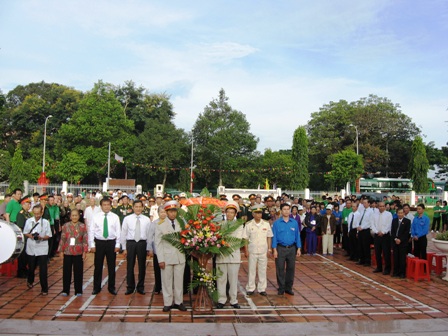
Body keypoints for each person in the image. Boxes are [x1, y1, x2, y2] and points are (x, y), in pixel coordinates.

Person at [155, 200, 187, 312]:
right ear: (166, 212)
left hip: (179, 257)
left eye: (174, 211)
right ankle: (167, 303)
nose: (173, 214)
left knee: (179, 281)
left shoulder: (181, 223)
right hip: (166, 257)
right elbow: (158, 244)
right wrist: (160, 260)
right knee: (166, 281)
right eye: (170, 211)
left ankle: (179, 302)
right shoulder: (160, 224)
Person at [89, 198, 121, 295]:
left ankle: (111, 287)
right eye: (104, 205)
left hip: (111, 243)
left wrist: (117, 244)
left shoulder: (115, 217)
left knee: (111, 266)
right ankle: (96, 287)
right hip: (99, 243)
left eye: (108, 204)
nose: (106, 206)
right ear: (101, 206)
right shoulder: (96, 217)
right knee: (98, 266)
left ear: (110, 205)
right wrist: (92, 244)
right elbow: (91, 231)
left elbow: (118, 231)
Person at [216, 200, 244, 309]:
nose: (229, 214)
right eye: (228, 212)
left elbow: (237, 240)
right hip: (221, 256)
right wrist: (221, 242)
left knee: (233, 280)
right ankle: (221, 300)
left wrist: (224, 242)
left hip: (233, 255)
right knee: (221, 279)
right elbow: (217, 238)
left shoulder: (239, 225)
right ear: (225, 213)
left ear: (235, 214)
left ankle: (233, 300)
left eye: (232, 212)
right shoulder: (220, 225)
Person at [121, 200, 151, 295]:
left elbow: (149, 234)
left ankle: (140, 287)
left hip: (142, 243)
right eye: (136, 206)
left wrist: (149, 247)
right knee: (130, 265)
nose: (138, 208)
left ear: (143, 208)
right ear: (133, 207)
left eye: (140, 207)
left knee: (142, 266)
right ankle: (130, 287)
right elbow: (123, 233)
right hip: (131, 243)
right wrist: (124, 247)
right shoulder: (127, 219)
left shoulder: (147, 219)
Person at [272, 203, 301, 296]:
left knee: (291, 268)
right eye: (284, 209)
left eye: (288, 209)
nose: (286, 211)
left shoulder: (294, 222)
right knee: (280, 269)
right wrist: (274, 249)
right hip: (280, 248)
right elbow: (274, 237)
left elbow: (297, 236)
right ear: (281, 211)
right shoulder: (276, 223)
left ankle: (289, 288)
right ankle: (281, 287)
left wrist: (299, 248)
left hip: (292, 248)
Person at [243, 205, 273, 296]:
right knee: (251, 270)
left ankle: (261, 288)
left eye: (260, 213)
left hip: (263, 250)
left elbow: (269, 237)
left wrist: (269, 249)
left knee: (262, 270)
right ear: (253, 214)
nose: (258, 215)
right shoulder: (248, 224)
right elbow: (245, 239)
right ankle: (250, 288)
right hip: (252, 250)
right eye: (256, 213)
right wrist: (246, 250)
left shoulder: (266, 224)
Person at [58, 209, 88, 296]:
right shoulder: (65, 226)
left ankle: (78, 290)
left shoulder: (82, 226)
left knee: (78, 271)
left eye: (76, 215)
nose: (74, 217)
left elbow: (85, 239)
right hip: (67, 251)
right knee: (66, 271)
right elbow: (63, 239)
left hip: (78, 251)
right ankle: (65, 290)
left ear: (79, 216)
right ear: (70, 216)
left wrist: (84, 251)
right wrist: (61, 251)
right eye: (73, 215)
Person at [23, 205, 52, 295]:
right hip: (31, 247)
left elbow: (49, 235)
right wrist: (31, 236)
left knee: (43, 269)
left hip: (42, 248)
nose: (36, 215)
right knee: (31, 267)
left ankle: (44, 288)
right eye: (35, 213)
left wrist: (41, 238)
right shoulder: (29, 221)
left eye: (38, 214)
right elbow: (25, 232)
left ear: (42, 212)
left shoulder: (45, 222)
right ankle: (30, 281)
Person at [148, 206, 166, 294]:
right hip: (157, 250)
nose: (163, 214)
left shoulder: (169, 223)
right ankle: (158, 287)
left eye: (164, 212)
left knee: (167, 270)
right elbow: (150, 237)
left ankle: (166, 287)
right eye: (161, 212)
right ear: (158, 213)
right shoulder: (154, 223)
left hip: (167, 251)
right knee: (157, 269)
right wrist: (150, 248)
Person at [372, 202, 393, 275]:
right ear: (378, 207)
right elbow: (372, 224)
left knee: (386, 253)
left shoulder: (388, 214)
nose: (381, 207)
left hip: (385, 236)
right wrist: (377, 232)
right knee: (377, 252)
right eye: (380, 206)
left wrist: (383, 232)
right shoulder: (374, 214)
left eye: (383, 206)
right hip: (377, 235)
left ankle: (387, 269)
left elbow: (389, 225)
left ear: (385, 207)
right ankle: (379, 267)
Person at [391, 208, 411, 278]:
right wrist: (395, 239)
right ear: (397, 213)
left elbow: (406, 233)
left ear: (404, 213)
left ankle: (402, 273)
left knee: (402, 258)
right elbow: (392, 231)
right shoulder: (394, 221)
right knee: (395, 257)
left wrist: (400, 239)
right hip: (395, 242)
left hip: (403, 243)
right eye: (399, 213)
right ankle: (395, 272)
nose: (400, 214)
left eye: (401, 213)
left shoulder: (407, 221)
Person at [16, 195, 32, 278]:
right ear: (23, 204)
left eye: (30, 204)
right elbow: (20, 227)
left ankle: (25, 269)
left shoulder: (28, 214)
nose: (29, 205)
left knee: (27, 256)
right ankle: (20, 271)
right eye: (27, 204)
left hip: (29, 237)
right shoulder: (21, 214)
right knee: (22, 256)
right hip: (24, 238)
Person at [357, 199, 374, 266]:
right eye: (363, 203)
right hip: (360, 230)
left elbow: (370, 222)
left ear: (369, 203)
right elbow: (359, 220)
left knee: (366, 246)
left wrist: (362, 227)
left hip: (366, 230)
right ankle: (361, 259)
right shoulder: (362, 211)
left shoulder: (371, 211)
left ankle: (367, 261)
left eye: (365, 203)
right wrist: (358, 227)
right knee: (360, 245)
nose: (364, 204)